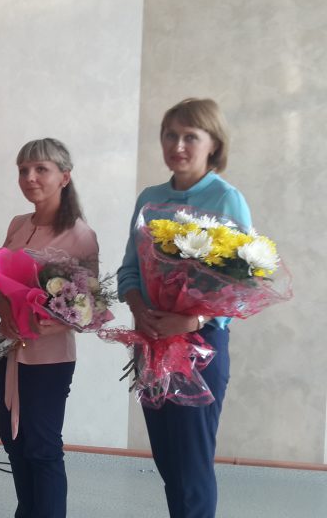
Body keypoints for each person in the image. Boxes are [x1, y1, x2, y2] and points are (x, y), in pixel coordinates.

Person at [117, 98, 250, 518]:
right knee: (168, 461)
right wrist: (139, 309)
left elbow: (243, 285)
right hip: (152, 338)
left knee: (192, 466)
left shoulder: (226, 199)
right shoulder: (150, 198)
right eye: (170, 135)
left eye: (190, 136)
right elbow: (129, 270)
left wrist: (193, 318)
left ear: (214, 144)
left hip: (201, 346)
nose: (178, 145)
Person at [0, 138, 98, 518]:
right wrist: (6, 312)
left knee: (42, 448)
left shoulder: (80, 234)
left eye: (41, 169)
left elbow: (89, 307)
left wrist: (48, 323)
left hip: (50, 359)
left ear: (64, 177)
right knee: (13, 443)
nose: (30, 177)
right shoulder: (18, 224)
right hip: (9, 350)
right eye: (23, 170)